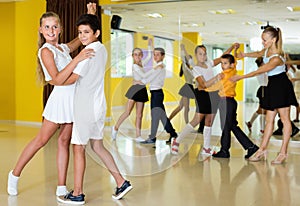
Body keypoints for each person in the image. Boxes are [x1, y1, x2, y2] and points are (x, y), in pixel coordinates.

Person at [7, 4, 96, 196]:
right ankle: (14, 175)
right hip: (59, 100)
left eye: (55, 26)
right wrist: (77, 59)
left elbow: (78, 41)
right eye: (47, 27)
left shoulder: (62, 48)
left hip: (73, 100)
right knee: (41, 140)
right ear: (40, 30)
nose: (51, 30)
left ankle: (61, 185)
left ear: (60, 28)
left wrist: (90, 16)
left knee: (64, 141)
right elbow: (56, 79)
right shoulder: (46, 51)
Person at [57, 14, 132, 205]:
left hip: (85, 107)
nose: (82, 36)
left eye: (86, 32)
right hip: (98, 105)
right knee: (97, 145)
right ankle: (121, 182)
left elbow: (69, 79)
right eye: (80, 32)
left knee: (78, 147)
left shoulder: (87, 53)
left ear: (96, 33)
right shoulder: (101, 49)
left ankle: (78, 193)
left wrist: (55, 76)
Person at [231, 26, 298, 164]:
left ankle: (283, 152)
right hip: (271, 86)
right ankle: (262, 150)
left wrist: (241, 77)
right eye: (262, 39)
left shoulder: (277, 58)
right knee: (269, 121)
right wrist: (244, 55)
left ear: (273, 40)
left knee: (285, 120)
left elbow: (259, 71)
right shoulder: (267, 50)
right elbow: (258, 53)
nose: (263, 42)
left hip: (281, 86)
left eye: (265, 40)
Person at [171, 43, 236, 155]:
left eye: (204, 54)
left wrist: (232, 47)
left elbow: (222, 57)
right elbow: (204, 84)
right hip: (202, 94)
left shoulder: (209, 63)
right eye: (200, 54)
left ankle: (206, 148)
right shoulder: (196, 69)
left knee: (209, 121)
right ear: (196, 55)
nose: (203, 56)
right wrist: (216, 78)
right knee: (196, 120)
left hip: (214, 94)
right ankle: (177, 141)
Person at [211, 53, 259, 159]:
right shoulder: (233, 70)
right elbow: (235, 61)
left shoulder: (224, 75)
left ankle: (224, 151)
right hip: (231, 102)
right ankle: (251, 147)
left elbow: (214, 87)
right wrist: (235, 49)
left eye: (225, 63)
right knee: (232, 126)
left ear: (231, 65)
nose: (222, 65)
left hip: (225, 102)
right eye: (222, 63)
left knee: (225, 127)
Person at [111, 42, 152, 142]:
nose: (138, 56)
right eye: (135, 54)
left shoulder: (142, 64)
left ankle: (138, 136)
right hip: (135, 89)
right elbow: (144, 77)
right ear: (133, 56)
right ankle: (115, 128)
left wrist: (150, 46)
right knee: (127, 112)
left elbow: (150, 56)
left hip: (142, 90)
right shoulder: (135, 66)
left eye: (139, 54)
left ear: (142, 55)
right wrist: (141, 80)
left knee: (139, 115)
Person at [140, 47, 178, 144]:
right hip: (155, 94)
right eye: (154, 54)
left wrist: (140, 82)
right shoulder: (157, 66)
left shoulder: (160, 67)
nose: (155, 56)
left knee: (156, 116)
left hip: (157, 94)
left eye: (158, 54)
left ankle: (153, 138)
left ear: (163, 56)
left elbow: (149, 78)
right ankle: (173, 134)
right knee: (161, 117)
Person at [168, 44, 195, 124]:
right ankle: (187, 125)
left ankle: (168, 120)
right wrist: (182, 49)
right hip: (187, 88)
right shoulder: (185, 68)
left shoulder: (191, 69)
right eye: (190, 59)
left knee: (180, 107)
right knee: (186, 108)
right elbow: (183, 58)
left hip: (189, 87)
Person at [245, 57, 267, 134]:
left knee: (260, 110)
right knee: (264, 110)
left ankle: (250, 123)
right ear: (262, 63)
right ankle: (262, 129)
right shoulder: (262, 70)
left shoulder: (262, 69)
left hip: (264, 90)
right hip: (264, 90)